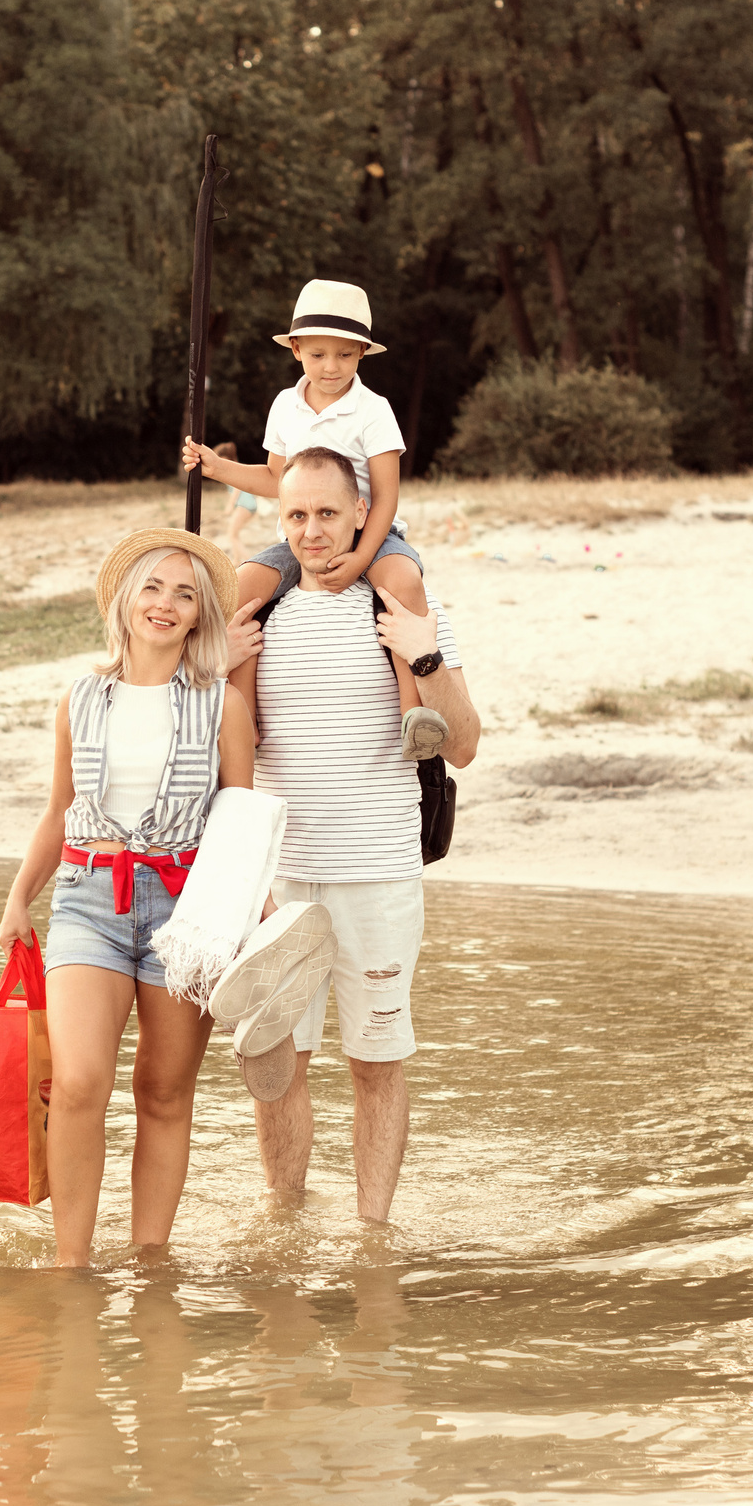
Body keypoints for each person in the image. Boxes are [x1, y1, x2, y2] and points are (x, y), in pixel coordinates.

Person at [0, 529, 270, 1269]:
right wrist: (22, 894)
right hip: (89, 897)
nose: (166, 603)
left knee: (163, 1091)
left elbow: (239, 824)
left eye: (184, 593)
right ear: (125, 598)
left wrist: (256, 918)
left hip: (190, 908)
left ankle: (150, 1261)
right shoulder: (80, 698)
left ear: (199, 613)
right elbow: (59, 810)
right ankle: (71, 1266)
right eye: (152, 587)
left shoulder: (222, 706)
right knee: (80, 1082)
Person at [230, 450, 481, 1223]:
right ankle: (284, 1222)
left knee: (375, 1061)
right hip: (279, 884)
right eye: (296, 515)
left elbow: (464, 742)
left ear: (361, 514)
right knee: (276, 1064)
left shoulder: (402, 604)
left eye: (328, 513)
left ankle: (373, 1233)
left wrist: (425, 652)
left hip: (378, 873)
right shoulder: (260, 615)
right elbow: (223, 749)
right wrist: (217, 667)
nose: (312, 530)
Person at [180, 278, 448, 764]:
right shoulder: (285, 406)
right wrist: (216, 468)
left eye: (346, 355)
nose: (332, 367)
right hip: (301, 537)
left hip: (371, 532)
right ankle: (245, 714)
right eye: (320, 354)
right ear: (297, 349)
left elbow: (386, 497)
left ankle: (414, 714)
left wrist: (364, 556)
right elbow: (274, 478)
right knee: (242, 590)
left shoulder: (373, 411)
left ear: (362, 354)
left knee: (403, 581)